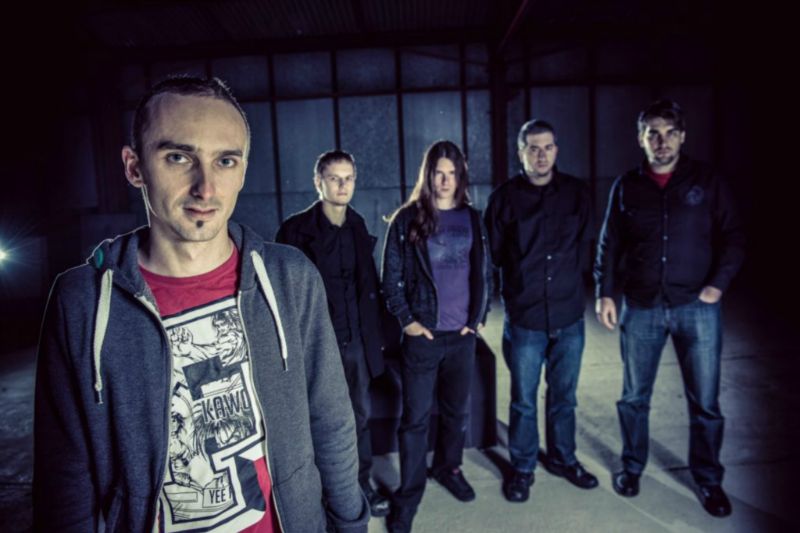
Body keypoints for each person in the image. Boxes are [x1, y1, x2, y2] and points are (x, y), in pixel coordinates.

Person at [33, 76, 368, 532]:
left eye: (225, 161)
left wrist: (350, 525)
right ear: (134, 167)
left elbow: (330, 419)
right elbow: (65, 477)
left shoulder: (290, 278)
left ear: (242, 171)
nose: (206, 188)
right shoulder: (82, 302)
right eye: (178, 157)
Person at [594, 99, 745, 517]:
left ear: (682, 136)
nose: (661, 141)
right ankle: (631, 468)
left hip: (696, 307)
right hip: (641, 307)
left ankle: (708, 480)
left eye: (669, 133)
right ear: (640, 139)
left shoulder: (707, 182)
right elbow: (609, 244)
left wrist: (717, 285)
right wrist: (605, 293)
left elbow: (733, 236)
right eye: (653, 134)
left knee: (705, 402)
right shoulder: (627, 186)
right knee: (633, 398)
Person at [484, 119, 598, 503]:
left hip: (569, 316)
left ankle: (564, 459)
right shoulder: (503, 199)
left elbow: (586, 245)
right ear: (521, 152)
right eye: (533, 148)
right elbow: (493, 255)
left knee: (564, 396)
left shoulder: (577, 194)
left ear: (556, 150)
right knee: (524, 400)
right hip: (526, 319)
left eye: (547, 147)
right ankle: (523, 467)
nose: (541, 155)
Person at [381, 140, 491, 532]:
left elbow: (485, 271)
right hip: (423, 338)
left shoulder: (472, 218)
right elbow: (390, 278)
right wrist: (408, 322)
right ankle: (409, 495)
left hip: (461, 337)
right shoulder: (407, 219)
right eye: (438, 173)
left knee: (456, 412)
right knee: (414, 420)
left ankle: (448, 468)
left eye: (452, 173)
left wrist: (477, 318)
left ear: (461, 177)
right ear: (428, 176)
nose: (445, 181)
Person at [275, 149, 390, 517]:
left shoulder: (357, 225)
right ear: (318, 182)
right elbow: (282, 295)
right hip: (315, 345)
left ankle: (361, 485)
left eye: (348, 178)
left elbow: (369, 289)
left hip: (355, 344)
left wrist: (377, 343)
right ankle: (319, 495)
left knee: (358, 417)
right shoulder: (294, 231)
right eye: (334, 178)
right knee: (315, 421)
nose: (343, 185)